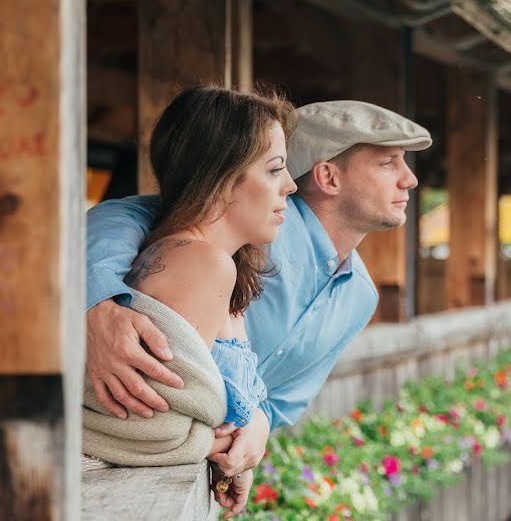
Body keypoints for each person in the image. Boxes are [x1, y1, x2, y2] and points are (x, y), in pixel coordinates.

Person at [85, 100, 432, 505]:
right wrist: (98, 303)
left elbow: (283, 399)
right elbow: (129, 216)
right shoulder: (242, 229)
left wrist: (256, 428)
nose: (409, 180)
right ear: (327, 176)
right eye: (388, 163)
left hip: (195, 485)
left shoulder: (359, 296)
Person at [82, 85, 297, 519]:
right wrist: (208, 445)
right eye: (274, 170)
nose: (290, 186)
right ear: (222, 177)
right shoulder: (201, 265)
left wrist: (251, 425)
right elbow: (145, 421)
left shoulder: (220, 266)